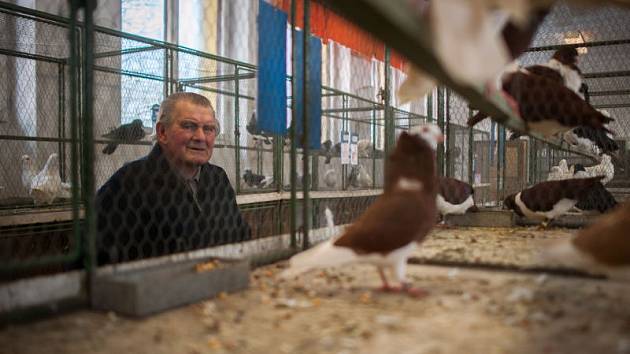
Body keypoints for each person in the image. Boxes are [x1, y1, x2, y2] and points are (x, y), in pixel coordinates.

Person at [95, 92, 251, 265]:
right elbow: (99, 262)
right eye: (189, 126)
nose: (200, 137)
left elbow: (241, 237)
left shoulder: (217, 179)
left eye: (208, 129)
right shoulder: (127, 184)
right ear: (162, 132)